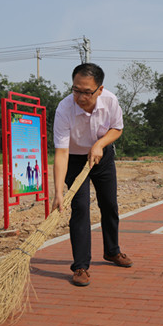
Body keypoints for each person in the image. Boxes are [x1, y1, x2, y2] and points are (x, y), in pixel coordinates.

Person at [52, 63, 132, 287]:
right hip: (76, 160)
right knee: (80, 208)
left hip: (102, 156)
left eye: (87, 92)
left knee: (109, 205)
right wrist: (58, 192)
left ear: (100, 89)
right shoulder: (64, 109)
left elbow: (117, 128)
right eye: (76, 90)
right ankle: (80, 266)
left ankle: (112, 251)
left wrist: (99, 144)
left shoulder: (110, 101)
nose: (80, 96)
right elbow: (61, 152)